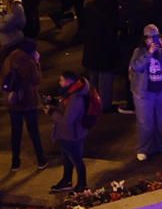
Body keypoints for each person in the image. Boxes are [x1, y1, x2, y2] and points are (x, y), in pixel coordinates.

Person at [128, 24, 162, 161]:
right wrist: (149, 53)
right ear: (145, 39)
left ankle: (160, 145)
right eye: (150, 38)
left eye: (156, 37)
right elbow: (137, 67)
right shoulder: (139, 51)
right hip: (144, 93)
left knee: (159, 120)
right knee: (145, 122)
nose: (153, 40)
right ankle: (143, 148)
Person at [3, 38, 46, 171]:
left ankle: (15, 162)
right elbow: (36, 80)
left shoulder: (9, 59)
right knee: (33, 131)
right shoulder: (28, 62)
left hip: (14, 101)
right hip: (28, 101)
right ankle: (41, 160)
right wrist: (37, 63)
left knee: (16, 133)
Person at [50, 71, 94, 195]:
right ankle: (67, 181)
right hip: (68, 134)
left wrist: (51, 113)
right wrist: (54, 103)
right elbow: (64, 108)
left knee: (77, 160)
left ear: (69, 81)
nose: (59, 82)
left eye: (61, 80)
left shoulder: (76, 98)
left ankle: (82, 185)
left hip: (73, 135)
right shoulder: (71, 93)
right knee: (67, 158)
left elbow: (67, 120)